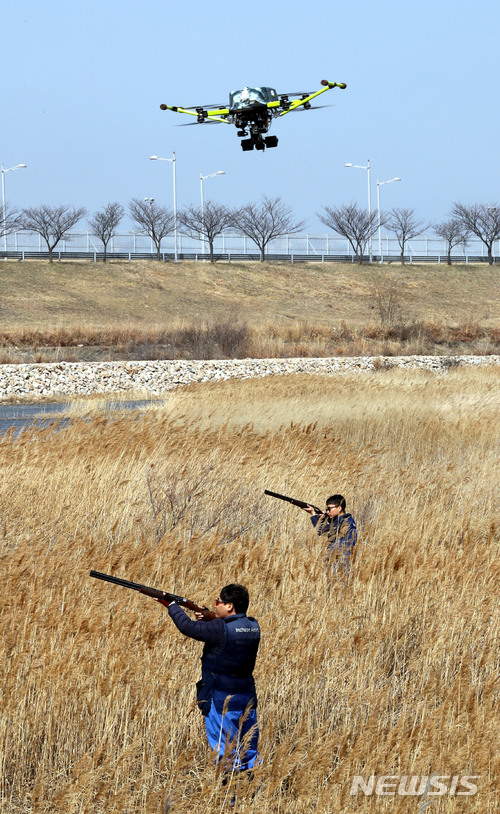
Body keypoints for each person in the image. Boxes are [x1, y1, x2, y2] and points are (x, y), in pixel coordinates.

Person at [157, 583, 260, 773]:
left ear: (229, 606)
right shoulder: (253, 626)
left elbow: (187, 626)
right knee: (249, 752)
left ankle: (230, 799)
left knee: (226, 754)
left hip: (222, 701)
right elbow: (226, 637)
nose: (216, 606)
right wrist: (207, 618)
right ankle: (252, 794)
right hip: (247, 698)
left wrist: (171, 605)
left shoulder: (219, 628)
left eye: (218, 602)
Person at [303, 494, 357, 579]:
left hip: (339, 563)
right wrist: (324, 518)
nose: (327, 511)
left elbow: (321, 530)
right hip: (342, 562)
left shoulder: (342, 522)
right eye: (326, 509)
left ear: (339, 508)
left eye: (329, 509)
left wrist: (313, 514)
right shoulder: (347, 520)